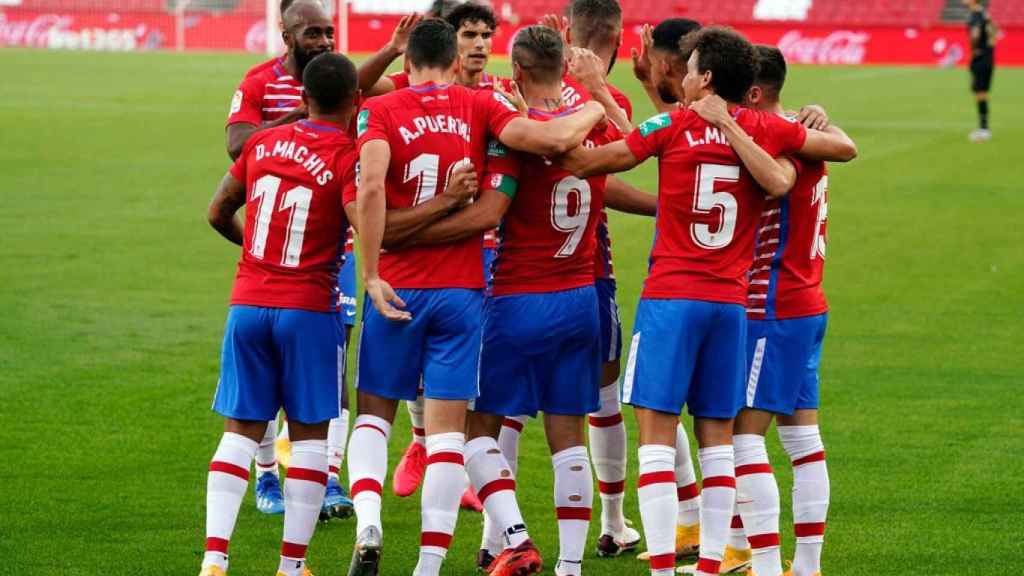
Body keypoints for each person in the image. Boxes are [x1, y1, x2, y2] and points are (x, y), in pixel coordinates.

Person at [561, 26, 856, 576]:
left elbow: (604, 157)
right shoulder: (773, 128)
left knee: (665, 434)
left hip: (697, 299)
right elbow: (833, 151)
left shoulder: (678, 124)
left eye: (690, 68)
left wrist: (584, 102)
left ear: (712, 79)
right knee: (729, 437)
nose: (683, 76)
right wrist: (812, 113)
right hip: (735, 304)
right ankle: (721, 563)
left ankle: (697, 566)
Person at [347, 18, 606, 576]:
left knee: (375, 417)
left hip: (405, 285)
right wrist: (596, 102)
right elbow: (547, 154)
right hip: (476, 291)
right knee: (449, 433)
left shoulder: (382, 109)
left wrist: (374, 263)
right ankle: (432, 565)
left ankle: (368, 521)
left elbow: (369, 188)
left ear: (407, 61)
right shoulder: (484, 108)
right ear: (454, 57)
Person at [199, 52, 361, 576]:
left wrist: (256, 253)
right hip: (309, 308)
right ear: (356, 102)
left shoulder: (263, 142)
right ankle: (291, 567)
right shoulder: (348, 155)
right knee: (311, 437)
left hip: (247, 303)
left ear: (301, 99)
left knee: (240, 429)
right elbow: (372, 224)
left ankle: (214, 560)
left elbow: (216, 211)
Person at [358, 2, 511, 511]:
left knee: (472, 380)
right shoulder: (404, 93)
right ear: (453, 47)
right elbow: (350, 89)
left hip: (483, 254)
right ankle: (426, 441)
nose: (480, 44)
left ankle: (446, 454)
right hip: (441, 260)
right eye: (469, 34)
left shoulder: (498, 97)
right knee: (431, 365)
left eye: (487, 34)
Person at [716, 45, 845, 576]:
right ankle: (806, 565)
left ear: (751, 92)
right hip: (808, 302)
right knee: (802, 438)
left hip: (772, 305)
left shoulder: (772, 140)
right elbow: (843, 147)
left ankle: (763, 564)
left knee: (742, 436)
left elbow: (770, 178)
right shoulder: (804, 129)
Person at [222, 0, 353, 519]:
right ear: (285, 32)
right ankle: (268, 478)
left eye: (328, 31)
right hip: (275, 255)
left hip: (330, 256)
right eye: (312, 31)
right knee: (266, 374)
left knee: (334, 364)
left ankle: (330, 479)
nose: (322, 39)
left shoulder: (340, 80)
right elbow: (237, 143)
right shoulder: (257, 82)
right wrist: (303, 116)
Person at [963, 0, 997, 142]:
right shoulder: (984, 14)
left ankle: (984, 129)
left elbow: (975, 34)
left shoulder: (975, 16)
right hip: (988, 57)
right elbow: (994, 32)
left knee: (980, 92)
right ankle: (984, 128)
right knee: (982, 92)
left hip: (980, 58)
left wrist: (973, 52)